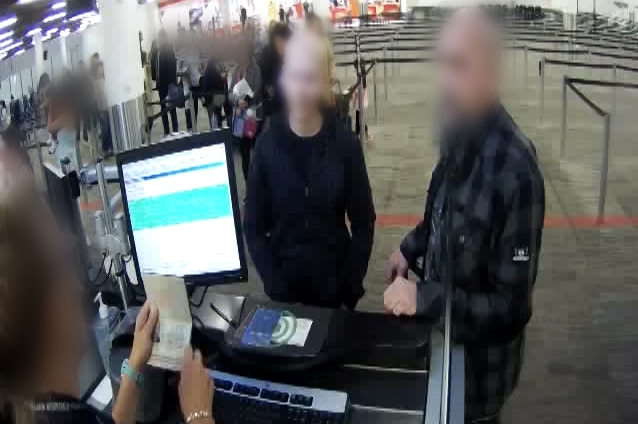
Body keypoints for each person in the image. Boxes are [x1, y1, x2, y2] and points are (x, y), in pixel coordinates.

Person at [383, 9, 545, 424]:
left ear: (489, 74)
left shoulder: (517, 172)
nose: (444, 80)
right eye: (443, 63)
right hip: (441, 346)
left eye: (458, 65)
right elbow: (442, 213)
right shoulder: (460, 128)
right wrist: (411, 246)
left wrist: (423, 298)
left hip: (478, 380)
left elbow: (510, 309)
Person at [0, 168, 216, 424]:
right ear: (40, 304)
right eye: (63, 262)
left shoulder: (31, 409)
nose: (78, 287)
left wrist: (135, 363)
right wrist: (198, 413)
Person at [244, 30, 376, 310]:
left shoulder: (344, 145)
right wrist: (273, 281)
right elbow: (253, 226)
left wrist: (350, 285)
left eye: (311, 78)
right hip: (284, 294)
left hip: (334, 293)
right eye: (295, 76)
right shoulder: (268, 145)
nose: (301, 89)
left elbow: (364, 221)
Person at [227, 38, 262, 182]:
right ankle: (248, 185)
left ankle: (260, 186)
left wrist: (246, 101)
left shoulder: (255, 69)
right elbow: (229, 93)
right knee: (244, 152)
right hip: (240, 118)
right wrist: (236, 101)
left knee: (257, 152)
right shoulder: (235, 71)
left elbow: (257, 88)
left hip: (253, 116)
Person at [258, 23, 291, 127]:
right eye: (279, 41)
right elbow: (260, 78)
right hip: (272, 109)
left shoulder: (291, 55)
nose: (282, 45)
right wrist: (267, 88)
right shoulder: (267, 55)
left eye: (284, 41)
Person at [47, 74, 80, 171]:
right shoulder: (70, 111)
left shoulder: (66, 115)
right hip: (67, 155)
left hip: (66, 158)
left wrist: (50, 109)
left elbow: (50, 128)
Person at [155, 29, 179, 136]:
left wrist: (172, 84)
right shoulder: (159, 51)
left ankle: (174, 131)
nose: (159, 40)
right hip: (162, 86)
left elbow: (172, 68)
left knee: (171, 109)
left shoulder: (168, 50)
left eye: (160, 38)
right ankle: (166, 131)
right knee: (163, 108)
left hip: (168, 86)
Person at [93, 61, 113, 156]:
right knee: (104, 130)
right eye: (99, 68)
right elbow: (96, 97)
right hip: (101, 109)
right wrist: (99, 109)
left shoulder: (106, 80)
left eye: (102, 68)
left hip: (108, 108)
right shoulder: (96, 83)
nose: (101, 70)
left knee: (109, 129)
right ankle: (105, 149)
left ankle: (110, 147)